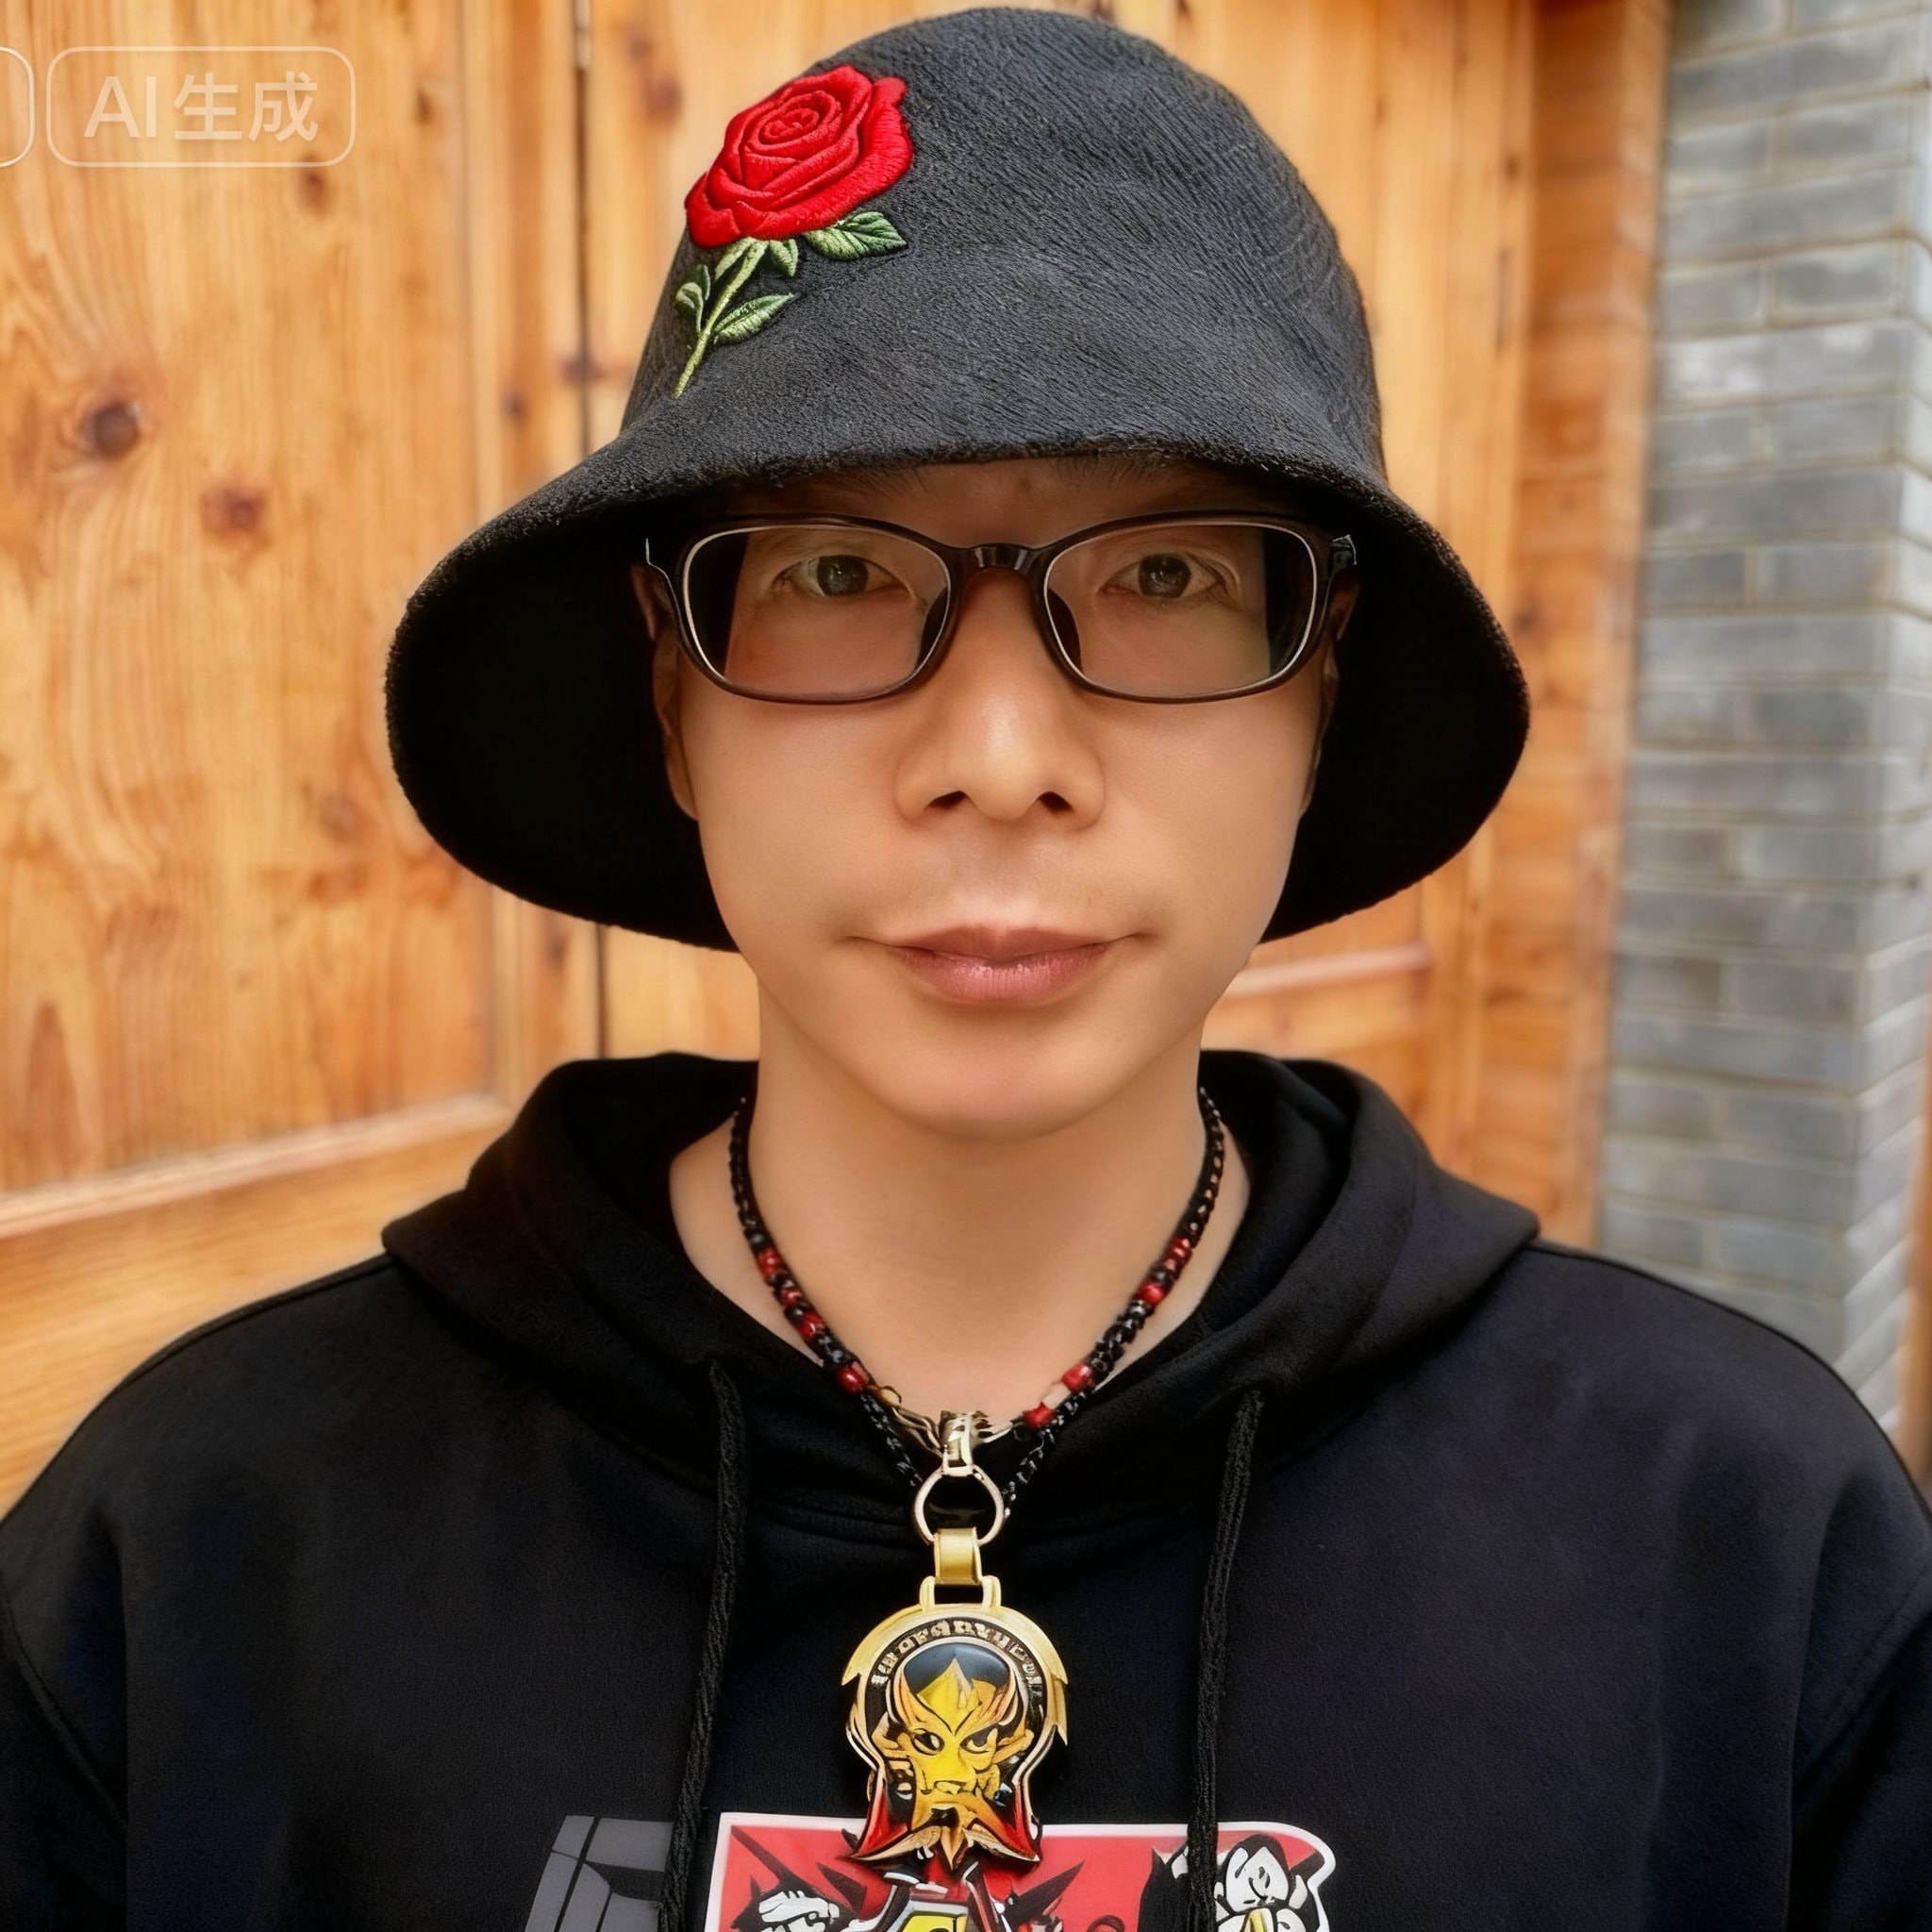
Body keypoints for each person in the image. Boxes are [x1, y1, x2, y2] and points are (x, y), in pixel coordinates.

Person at [4, 8, 1929, 1927]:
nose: (1001, 759)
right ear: (671, 699)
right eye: (837, 573)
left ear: (1321, 692)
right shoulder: (191, 1560)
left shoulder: (1749, 1555)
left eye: (1166, 574)